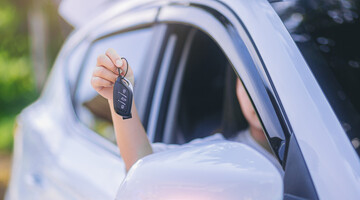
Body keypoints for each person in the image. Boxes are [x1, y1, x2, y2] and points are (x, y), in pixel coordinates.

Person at [91, 48, 284, 176]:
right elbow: (142, 168)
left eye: (271, 83)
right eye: (249, 84)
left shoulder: (313, 145)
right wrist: (120, 99)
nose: (260, 97)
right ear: (234, 88)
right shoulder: (224, 154)